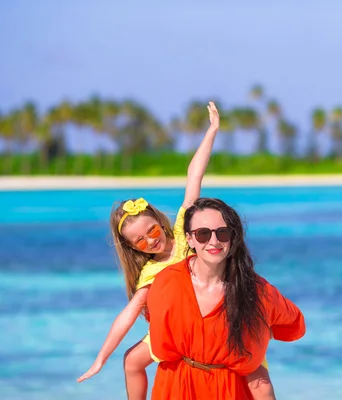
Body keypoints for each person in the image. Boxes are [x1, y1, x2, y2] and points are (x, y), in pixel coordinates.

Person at [77, 103, 276, 400]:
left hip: (217, 316)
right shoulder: (151, 272)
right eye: (140, 242)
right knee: (131, 361)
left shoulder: (187, 233)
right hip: (177, 329)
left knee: (254, 367)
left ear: (160, 221)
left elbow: (193, 177)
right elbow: (129, 313)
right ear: (132, 248)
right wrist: (101, 357)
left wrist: (212, 131)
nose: (150, 241)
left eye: (152, 232)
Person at [147, 197, 306, 400]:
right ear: (189, 239)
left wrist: (257, 333)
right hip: (176, 386)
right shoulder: (167, 282)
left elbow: (295, 324)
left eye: (222, 232)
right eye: (203, 234)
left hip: (230, 390)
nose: (214, 241)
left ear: (233, 237)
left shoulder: (256, 290)